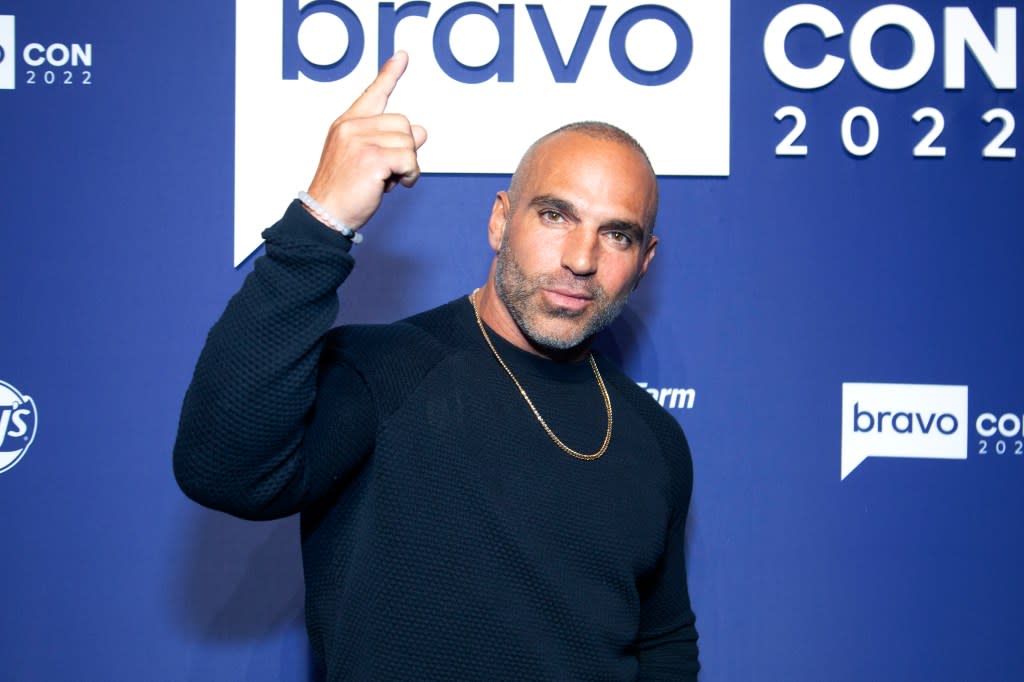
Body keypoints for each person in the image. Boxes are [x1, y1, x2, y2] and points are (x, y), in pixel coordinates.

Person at [174, 51, 699, 680]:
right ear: (501, 219)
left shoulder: (656, 439)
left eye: (618, 234)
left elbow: (664, 641)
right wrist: (322, 221)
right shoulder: (381, 372)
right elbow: (221, 469)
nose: (581, 258)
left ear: (644, 262)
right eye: (555, 215)